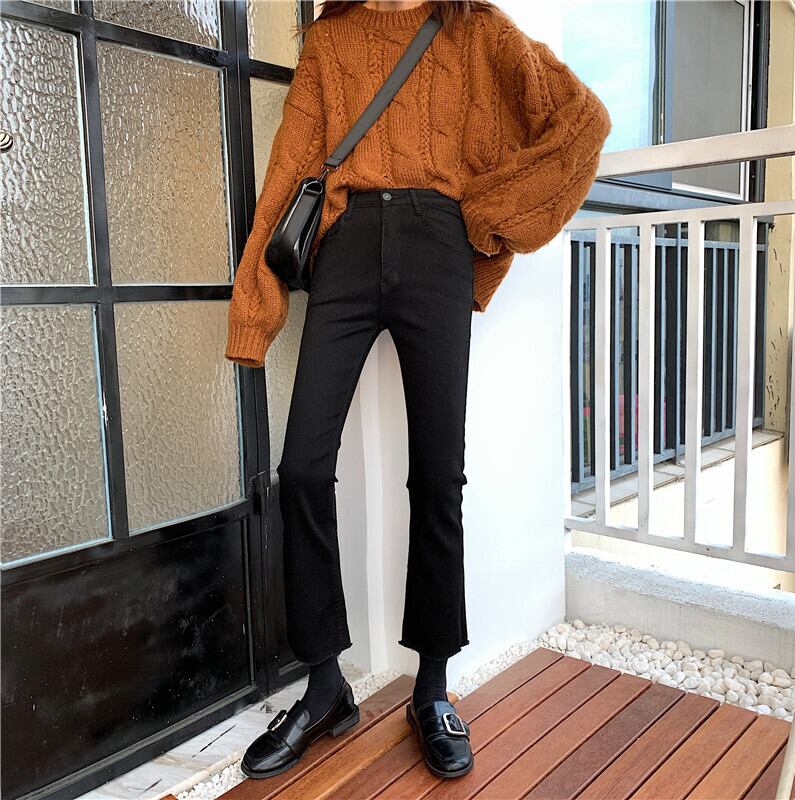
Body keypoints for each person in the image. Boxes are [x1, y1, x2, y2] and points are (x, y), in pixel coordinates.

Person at [225, 0, 611, 780]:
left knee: (438, 475)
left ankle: (432, 688)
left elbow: (582, 122)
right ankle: (326, 687)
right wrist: (255, 311)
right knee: (302, 469)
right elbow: (289, 170)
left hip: (438, 246)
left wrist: (490, 215)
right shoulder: (331, 41)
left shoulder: (476, 29)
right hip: (346, 248)